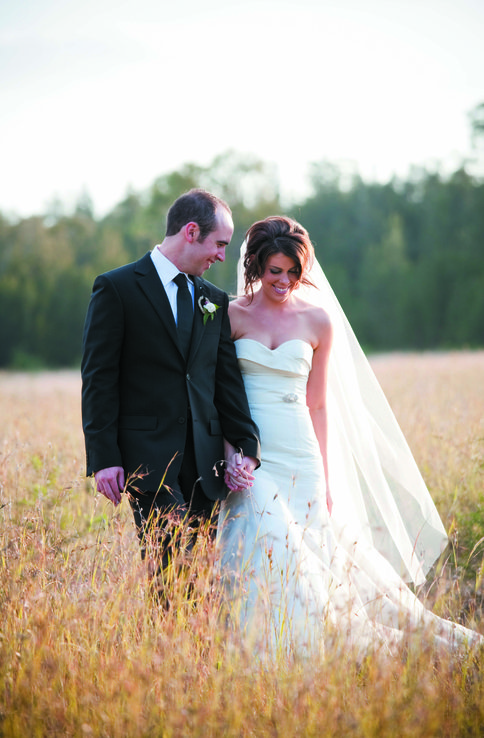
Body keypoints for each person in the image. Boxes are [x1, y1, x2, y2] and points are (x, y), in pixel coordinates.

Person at [217, 215, 482, 655]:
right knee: (264, 544)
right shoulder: (231, 315)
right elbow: (218, 396)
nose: (283, 281)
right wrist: (232, 452)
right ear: (256, 268)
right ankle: (262, 649)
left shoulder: (318, 321)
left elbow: (317, 404)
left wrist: (324, 476)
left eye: (292, 272)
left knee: (313, 555)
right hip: (252, 454)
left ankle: (318, 645)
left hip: (299, 448)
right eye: (274, 271)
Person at [81, 189, 261, 577]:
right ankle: (167, 637)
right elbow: (98, 378)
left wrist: (246, 446)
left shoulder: (214, 299)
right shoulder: (118, 288)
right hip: (147, 459)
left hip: (206, 461)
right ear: (191, 231)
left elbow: (225, 381)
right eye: (220, 244)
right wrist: (104, 458)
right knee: (169, 570)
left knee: (199, 573)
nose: (222, 256)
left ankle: (194, 641)